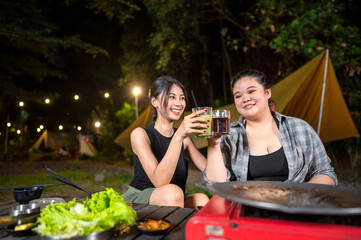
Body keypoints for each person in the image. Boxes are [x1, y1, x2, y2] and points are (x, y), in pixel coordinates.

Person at [205, 70, 337, 185]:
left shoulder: (299, 128)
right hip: (248, 207)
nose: (245, 98)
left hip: (294, 206)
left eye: (251, 91)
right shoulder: (228, 135)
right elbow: (216, 185)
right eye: (238, 96)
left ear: (267, 92)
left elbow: (325, 172)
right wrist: (213, 143)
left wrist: (302, 193)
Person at [123, 76, 210, 208]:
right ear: (154, 102)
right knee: (173, 193)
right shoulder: (140, 134)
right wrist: (178, 137)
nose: (179, 103)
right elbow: (160, 182)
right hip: (138, 198)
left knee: (202, 199)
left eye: (182, 98)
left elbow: (210, 173)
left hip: (174, 198)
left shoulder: (184, 138)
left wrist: (214, 142)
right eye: (171, 97)